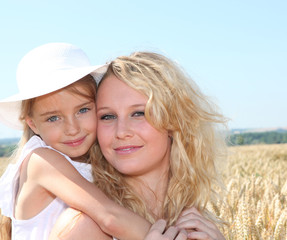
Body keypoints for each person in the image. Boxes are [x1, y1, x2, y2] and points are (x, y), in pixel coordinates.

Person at [50, 51, 227, 239]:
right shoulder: (82, 226)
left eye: (138, 113)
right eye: (107, 116)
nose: (121, 131)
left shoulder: (199, 224)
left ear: (174, 120)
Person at [0, 43, 152, 240]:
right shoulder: (41, 161)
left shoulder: (98, 162)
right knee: (84, 221)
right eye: (53, 118)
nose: (73, 129)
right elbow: (110, 218)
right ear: (33, 125)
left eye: (82, 110)